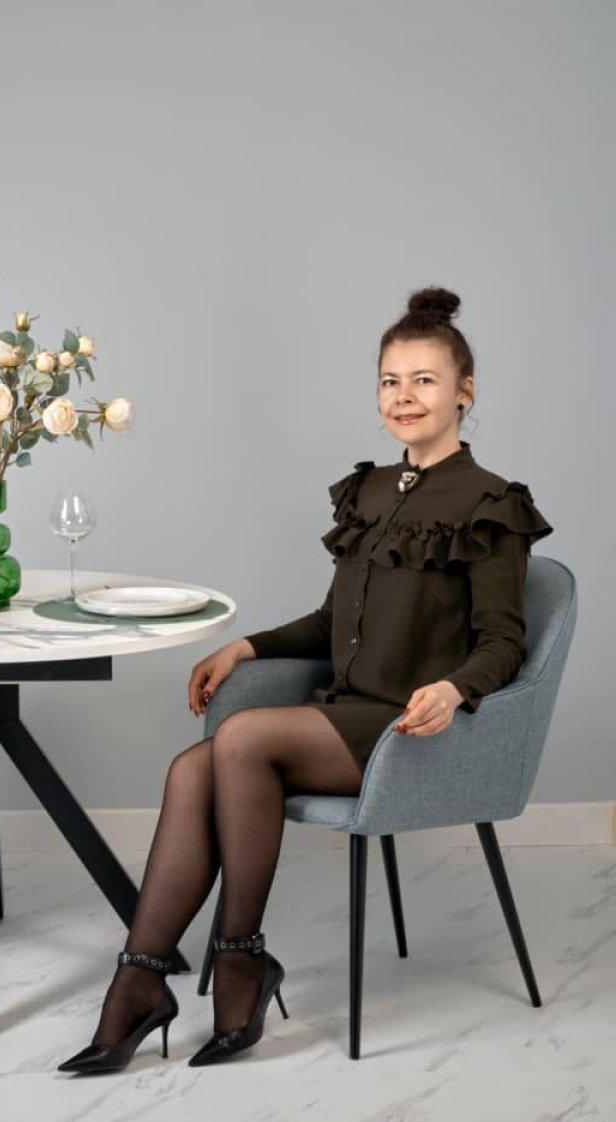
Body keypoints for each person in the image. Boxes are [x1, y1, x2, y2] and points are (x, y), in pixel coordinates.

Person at [58, 287, 553, 1074]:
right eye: (390, 381)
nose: (404, 396)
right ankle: (141, 981)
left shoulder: (491, 504)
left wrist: (455, 688)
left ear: (465, 391)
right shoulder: (369, 492)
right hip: (344, 714)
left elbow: (504, 642)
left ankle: (241, 958)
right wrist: (245, 648)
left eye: (424, 380)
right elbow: (331, 624)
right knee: (191, 769)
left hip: (413, 729)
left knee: (242, 738)